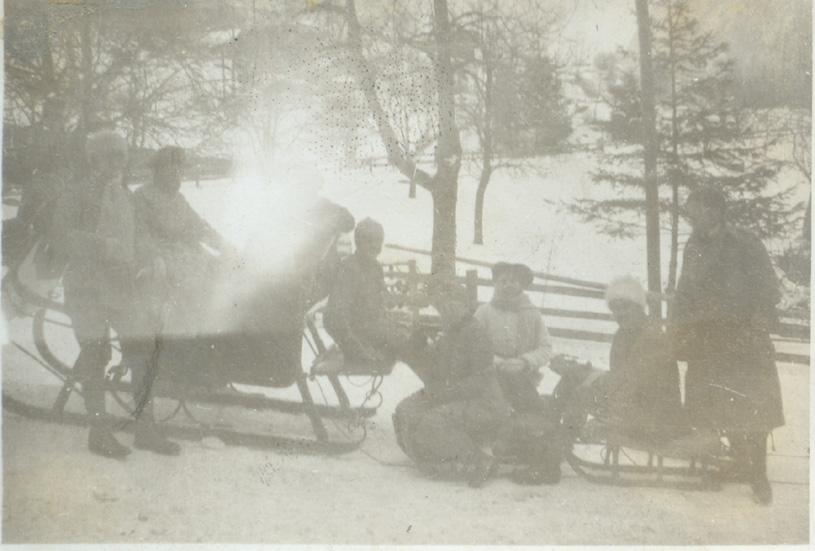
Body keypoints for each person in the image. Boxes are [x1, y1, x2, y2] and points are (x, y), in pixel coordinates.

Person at [50, 130, 180, 458]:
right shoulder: (76, 194)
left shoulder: (127, 196)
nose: (115, 163)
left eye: (120, 156)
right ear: (92, 160)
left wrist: (152, 257)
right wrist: (102, 246)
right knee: (95, 356)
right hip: (86, 287)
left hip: (122, 286)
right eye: (107, 156)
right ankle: (99, 432)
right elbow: (60, 236)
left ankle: (145, 428)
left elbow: (140, 236)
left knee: (142, 348)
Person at [671, 186, 784, 505]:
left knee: (754, 407)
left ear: (715, 210)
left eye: (695, 208)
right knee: (713, 404)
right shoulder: (692, 246)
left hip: (744, 339)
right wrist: (678, 327)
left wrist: (757, 323)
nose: (690, 215)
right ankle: (735, 463)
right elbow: (684, 291)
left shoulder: (745, 242)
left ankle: (759, 476)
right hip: (707, 340)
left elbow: (768, 287)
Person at [392, 277, 512, 488]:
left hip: (484, 402)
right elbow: (435, 372)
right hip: (454, 395)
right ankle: (430, 459)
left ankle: (478, 460)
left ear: (463, 306)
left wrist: (443, 394)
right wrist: (417, 350)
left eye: (450, 305)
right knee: (405, 410)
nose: (445, 311)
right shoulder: (449, 333)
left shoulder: (476, 334)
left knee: (432, 421)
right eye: (441, 306)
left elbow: (479, 381)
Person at [474, 262, 560, 485]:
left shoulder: (532, 314)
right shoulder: (484, 312)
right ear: (495, 283)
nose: (508, 285)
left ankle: (541, 461)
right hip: (490, 374)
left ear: (521, 284)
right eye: (503, 280)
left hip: (522, 376)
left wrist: (524, 362)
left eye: (513, 281)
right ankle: (489, 453)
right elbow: (473, 346)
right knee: (494, 411)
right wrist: (498, 363)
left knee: (536, 412)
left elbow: (546, 348)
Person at [134, 146, 236, 331]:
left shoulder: (178, 200)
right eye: (171, 170)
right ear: (157, 171)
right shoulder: (142, 197)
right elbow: (140, 235)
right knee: (190, 290)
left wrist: (227, 248)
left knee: (223, 274)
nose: (176, 175)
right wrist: (155, 257)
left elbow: (200, 227)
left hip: (189, 255)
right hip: (160, 261)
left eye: (180, 170)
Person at [603, 276, 688, 443]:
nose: (619, 314)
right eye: (615, 309)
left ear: (638, 307)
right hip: (633, 407)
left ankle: (552, 448)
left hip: (655, 419)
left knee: (582, 389)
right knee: (576, 381)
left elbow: (637, 381)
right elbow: (618, 376)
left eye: (624, 307)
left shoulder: (652, 336)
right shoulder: (621, 336)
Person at [324, 218, 406, 366]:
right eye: (370, 241)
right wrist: (358, 351)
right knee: (416, 351)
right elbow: (334, 319)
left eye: (379, 241)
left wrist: (397, 298)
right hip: (359, 338)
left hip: (377, 330)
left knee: (418, 342)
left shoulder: (375, 268)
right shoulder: (348, 269)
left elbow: (382, 298)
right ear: (359, 242)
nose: (375, 246)